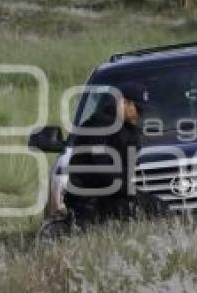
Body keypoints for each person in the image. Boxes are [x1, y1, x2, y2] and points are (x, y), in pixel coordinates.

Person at [64, 82, 150, 227]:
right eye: (138, 109)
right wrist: (130, 192)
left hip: (111, 195)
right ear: (124, 103)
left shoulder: (127, 131)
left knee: (159, 209)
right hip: (89, 200)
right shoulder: (99, 125)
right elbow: (103, 170)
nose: (141, 115)